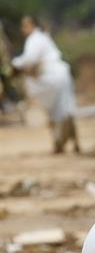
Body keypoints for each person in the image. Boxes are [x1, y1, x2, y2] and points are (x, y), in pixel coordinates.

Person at [11, 15, 80, 153]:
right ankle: (70, 143)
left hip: (53, 79)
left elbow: (29, 60)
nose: (23, 29)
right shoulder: (43, 38)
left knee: (57, 112)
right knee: (65, 110)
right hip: (60, 76)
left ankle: (61, 143)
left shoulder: (35, 39)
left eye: (25, 26)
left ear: (32, 25)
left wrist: (14, 64)